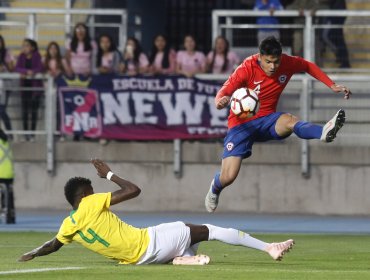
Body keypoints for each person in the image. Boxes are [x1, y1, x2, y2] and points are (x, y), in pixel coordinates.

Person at [18, 159, 294, 265]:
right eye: (92, 188)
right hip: (148, 243)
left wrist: (33, 253)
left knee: (187, 236)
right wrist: (110, 173)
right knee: (208, 231)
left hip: (138, 258)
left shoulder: (68, 225)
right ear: (84, 195)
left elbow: (52, 246)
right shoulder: (91, 203)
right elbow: (134, 190)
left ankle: (184, 260)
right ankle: (269, 247)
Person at [204, 36, 352, 213]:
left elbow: (307, 65)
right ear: (260, 57)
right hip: (241, 126)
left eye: (276, 62)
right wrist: (220, 101)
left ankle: (323, 132)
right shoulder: (246, 68)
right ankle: (215, 187)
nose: (273, 66)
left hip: (268, 120)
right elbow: (223, 92)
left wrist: (332, 84)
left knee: (289, 120)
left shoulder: (286, 63)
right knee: (229, 176)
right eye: (268, 62)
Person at [15, 38, 44, 142]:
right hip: (24, 88)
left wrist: (33, 72)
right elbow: (17, 68)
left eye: (26, 45)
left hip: (35, 89)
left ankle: (32, 134)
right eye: (23, 45)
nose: (24, 47)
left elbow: (40, 68)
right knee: (25, 112)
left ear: (32, 47)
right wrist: (27, 71)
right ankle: (25, 134)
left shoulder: (37, 56)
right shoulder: (21, 56)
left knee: (34, 113)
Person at [320, 0, 350, 68]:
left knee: (336, 38)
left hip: (337, 14)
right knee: (330, 37)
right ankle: (341, 57)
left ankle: (343, 60)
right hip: (334, 14)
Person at [0, 35, 15, 133]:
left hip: (4, 86)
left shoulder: (7, 53)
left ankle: (9, 133)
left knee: (1, 110)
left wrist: (4, 65)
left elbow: (11, 68)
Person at [0, 128, 15, 224]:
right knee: (9, 195)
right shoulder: (7, 143)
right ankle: (11, 217)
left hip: (0, 173)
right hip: (9, 173)